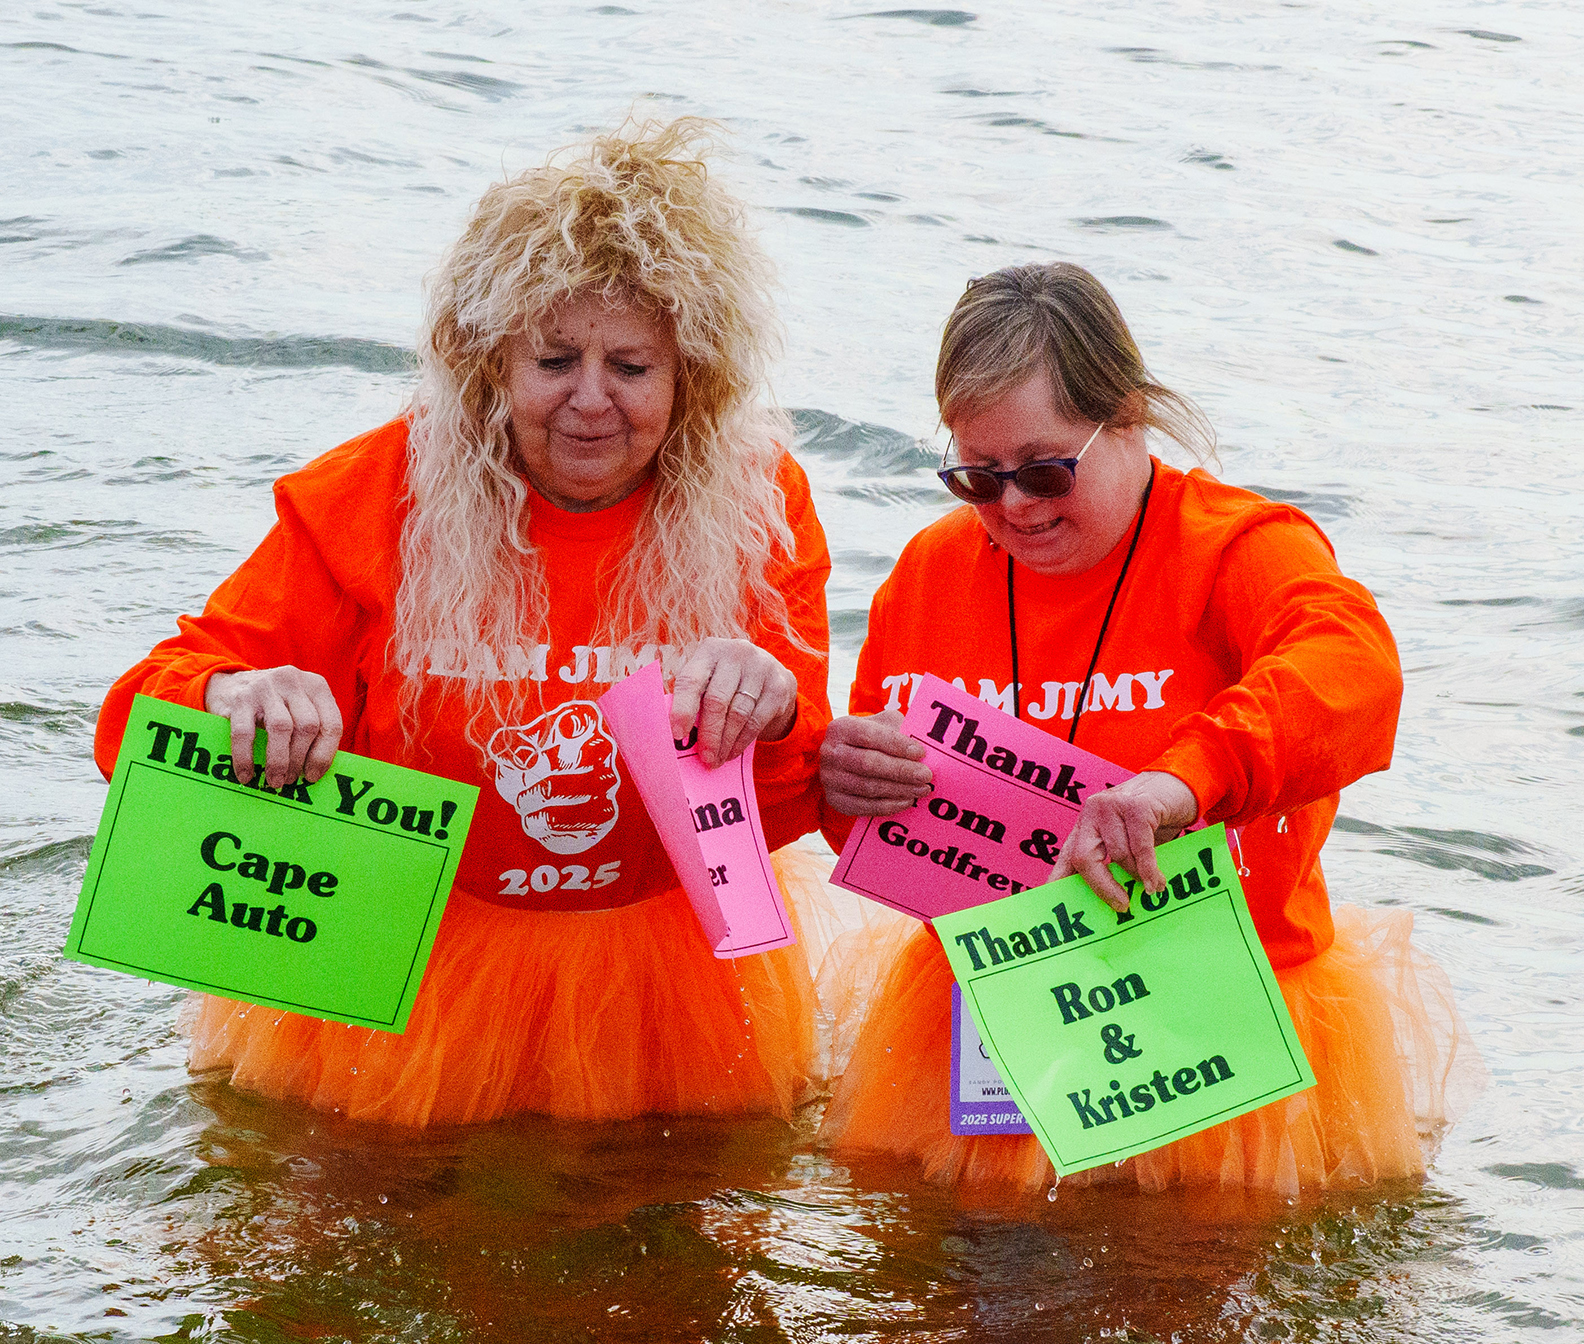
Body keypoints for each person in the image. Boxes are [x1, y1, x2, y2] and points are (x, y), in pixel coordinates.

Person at [94, 119, 833, 1128]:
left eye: (631, 367)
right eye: (555, 359)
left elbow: (796, 800)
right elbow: (135, 722)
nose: (589, 402)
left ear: (691, 378)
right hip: (403, 957)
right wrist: (234, 694)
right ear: (490, 363)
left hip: (668, 973)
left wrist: (776, 701)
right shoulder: (372, 491)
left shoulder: (757, 501)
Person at [816, 263, 1476, 1197]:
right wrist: (846, 793)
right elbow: (882, 838)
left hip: (1214, 1013)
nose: (1015, 509)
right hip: (993, 1016)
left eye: (1046, 470)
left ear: (1125, 417)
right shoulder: (929, 572)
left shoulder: (1237, 547)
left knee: (1172, 1300)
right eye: (977, 478)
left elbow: (1356, 673)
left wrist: (1184, 780)